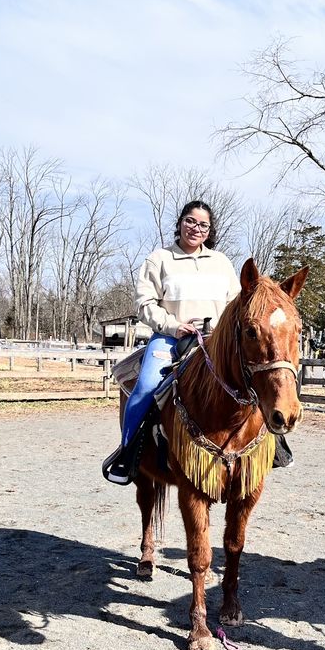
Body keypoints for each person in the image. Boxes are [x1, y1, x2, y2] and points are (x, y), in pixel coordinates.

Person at [102, 200, 242, 484]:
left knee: (250, 380)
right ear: (180, 223)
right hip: (171, 337)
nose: (196, 228)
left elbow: (236, 303)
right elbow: (145, 303)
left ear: (210, 230)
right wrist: (174, 326)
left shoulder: (221, 262)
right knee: (144, 387)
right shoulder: (159, 259)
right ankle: (127, 453)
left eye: (203, 224)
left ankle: (274, 447)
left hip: (215, 340)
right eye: (190, 221)